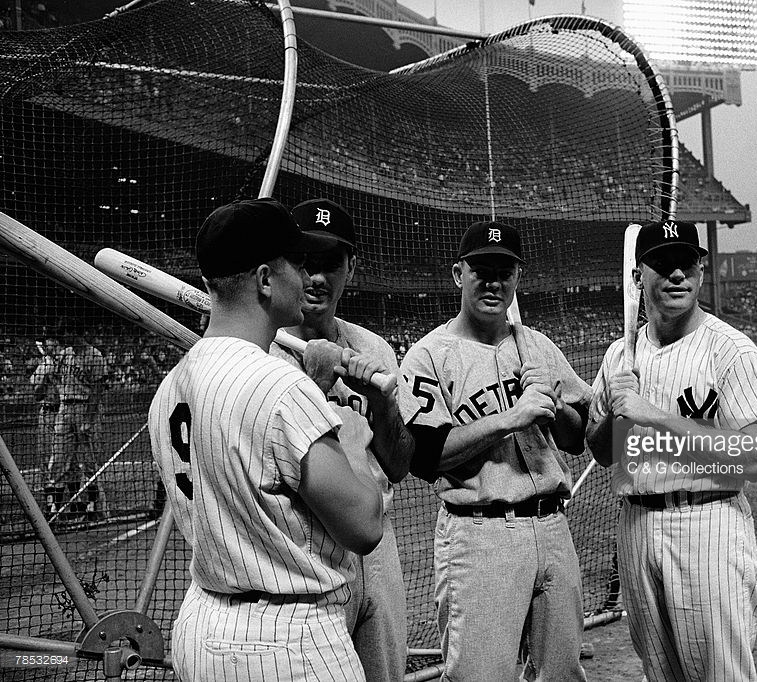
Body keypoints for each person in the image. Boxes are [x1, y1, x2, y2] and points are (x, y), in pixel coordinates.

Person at [148, 198, 384, 682]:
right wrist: (351, 433)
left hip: (202, 625)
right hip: (290, 637)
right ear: (264, 279)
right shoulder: (281, 387)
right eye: (297, 264)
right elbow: (364, 526)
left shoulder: (169, 388)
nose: (308, 278)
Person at [400, 221, 591, 681]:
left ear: (517, 278)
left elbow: (575, 439)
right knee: (481, 675)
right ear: (457, 274)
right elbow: (424, 457)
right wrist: (511, 418)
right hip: (480, 534)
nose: (493, 282)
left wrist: (557, 406)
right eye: (481, 270)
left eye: (504, 271)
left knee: (563, 673)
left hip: (552, 527)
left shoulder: (537, 346)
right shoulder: (428, 356)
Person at [586, 220, 757, 682]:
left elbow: (752, 458)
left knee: (720, 674)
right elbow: (599, 449)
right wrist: (615, 412)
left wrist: (654, 415)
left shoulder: (730, 351)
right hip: (637, 527)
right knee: (660, 674)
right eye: (664, 264)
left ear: (700, 272)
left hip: (707, 524)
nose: (677, 275)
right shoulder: (619, 357)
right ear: (638, 278)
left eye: (687, 264)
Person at [270, 198, 417, 681]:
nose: (315, 277)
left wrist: (381, 405)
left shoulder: (372, 347)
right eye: (305, 262)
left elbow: (398, 464)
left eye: (330, 263)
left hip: (378, 549)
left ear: (350, 268)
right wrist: (312, 383)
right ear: (285, 265)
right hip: (302, 553)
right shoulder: (262, 353)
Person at [45, 322, 109, 521]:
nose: (64, 337)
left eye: (67, 333)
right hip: (65, 407)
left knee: (89, 459)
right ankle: (53, 507)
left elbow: (98, 389)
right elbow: (55, 376)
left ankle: (92, 507)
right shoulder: (66, 354)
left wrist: (89, 419)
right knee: (59, 456)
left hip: (85, 407)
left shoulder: (95, 355)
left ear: (76, 332)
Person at [30, 335, 60, 467]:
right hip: (47, 412)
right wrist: (45, 379)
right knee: (45, 452)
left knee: (65, 453)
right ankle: (47, 485)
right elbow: (37, 395)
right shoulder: (43, 367)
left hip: (64, 411)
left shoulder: (66, 361)